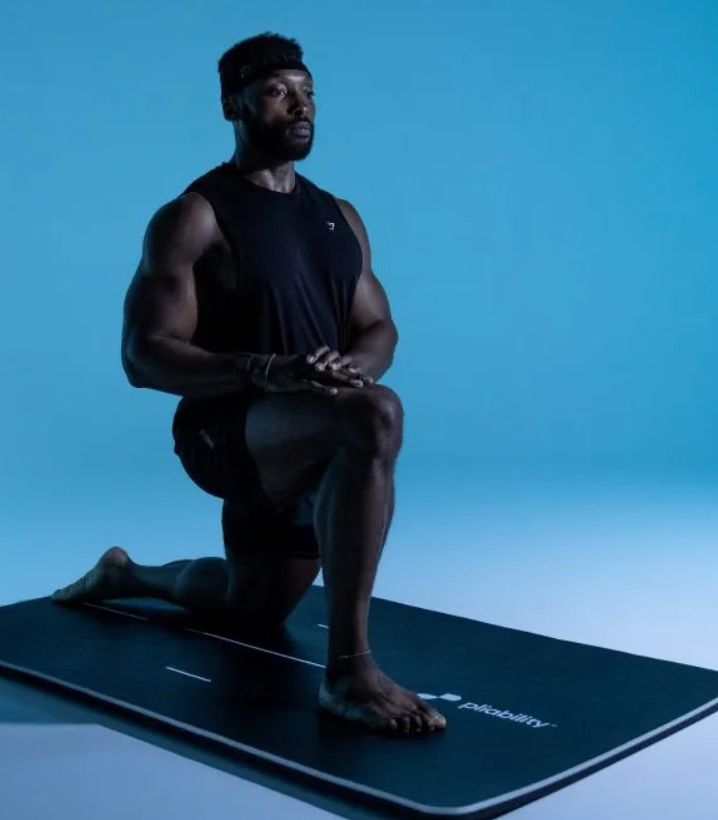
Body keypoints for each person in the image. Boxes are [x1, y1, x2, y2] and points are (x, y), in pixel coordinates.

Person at [52, 32, 446, 736]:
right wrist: (268, 371)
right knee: (376, 416)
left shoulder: (338, 214)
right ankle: (349, 673)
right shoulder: (194, 215)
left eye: (308, 91)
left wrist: (342, 375)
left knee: (249, 607)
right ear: (233, 104)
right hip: (225, 432)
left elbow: (378, 326)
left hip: (314, 428)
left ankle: (127, 575)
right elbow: (143, 357)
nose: (301, 106)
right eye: (277, 92)